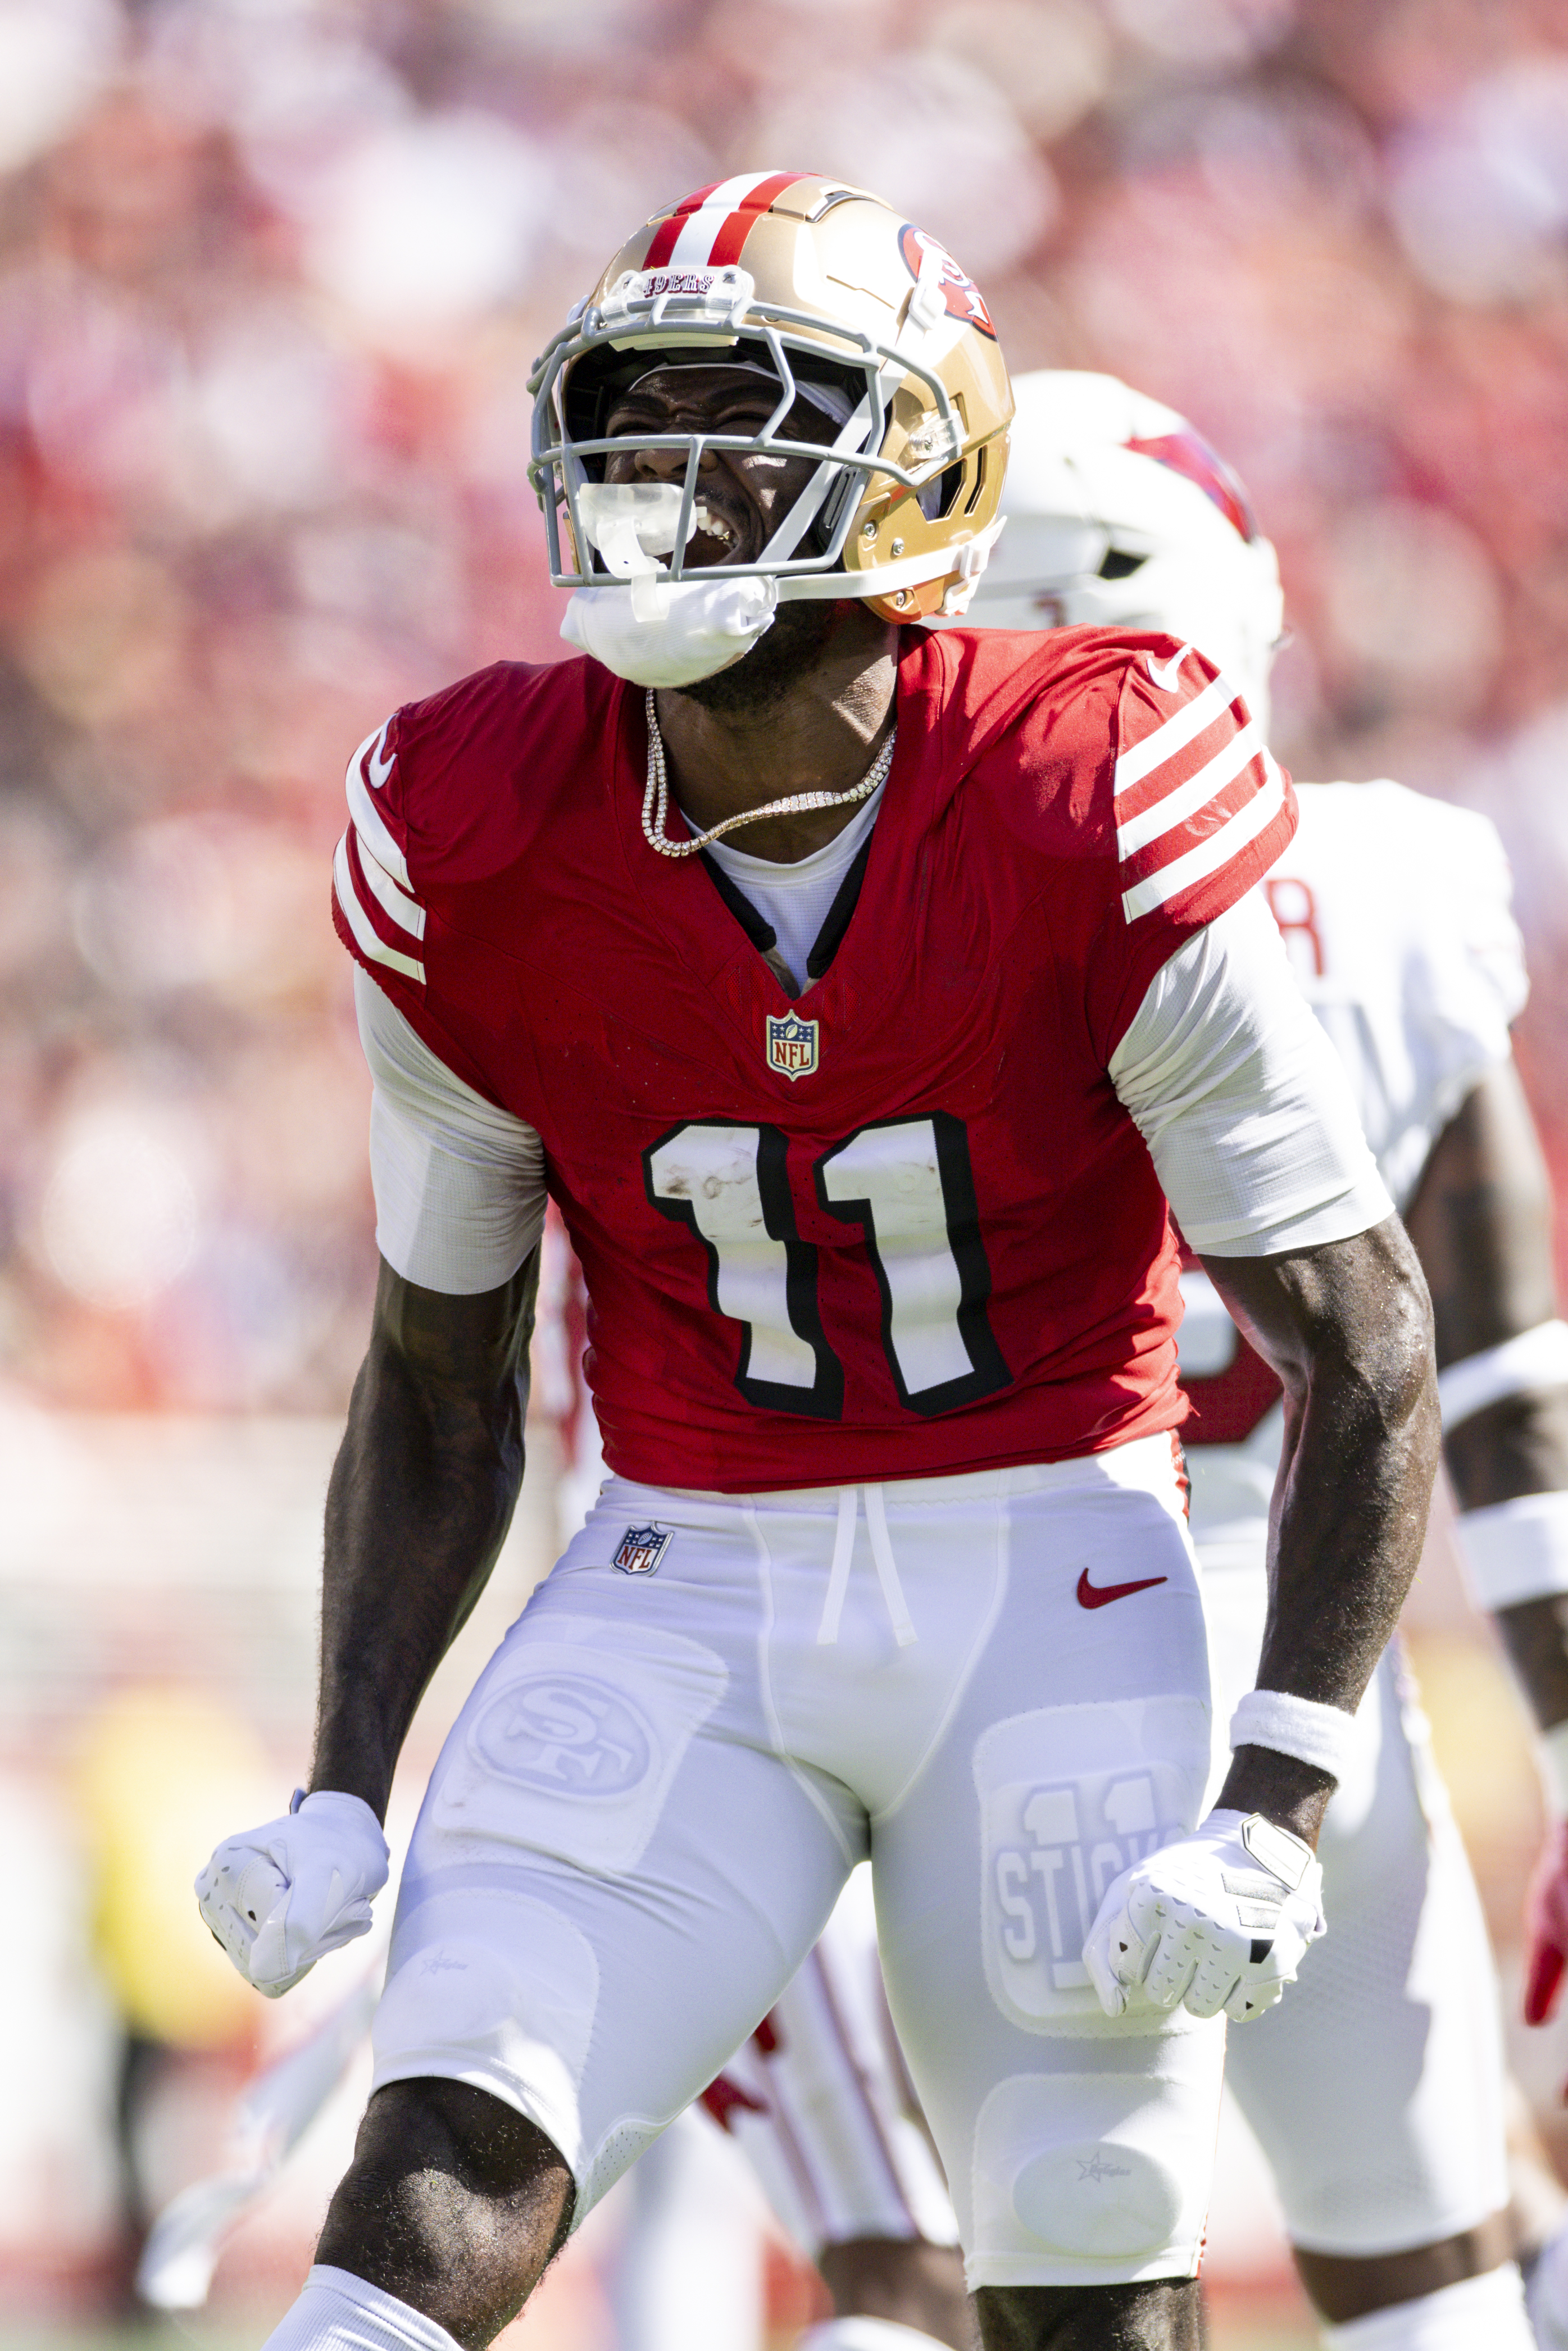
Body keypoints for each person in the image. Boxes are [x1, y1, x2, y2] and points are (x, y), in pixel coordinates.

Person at [191, 174, 1437, 2351]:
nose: (657, 480)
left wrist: (1276, 1785)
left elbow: (1361, 1339)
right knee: (440, 2168)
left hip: (1050, 1571)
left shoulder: (1093, 781)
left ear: (915, 479)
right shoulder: (468, 821)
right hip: (688, 1577)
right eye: (628, 418)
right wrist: (342, 1775)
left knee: (1080, 2254)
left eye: (736, 419)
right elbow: (439, 1366)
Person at [971, 368, 1560, 2349]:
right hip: (1307, 1641)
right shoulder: (1387, 885)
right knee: (1428, 2277)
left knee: (1058, 2273)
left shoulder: (884, 917)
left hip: (983, 1648)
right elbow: (1496, 1388)